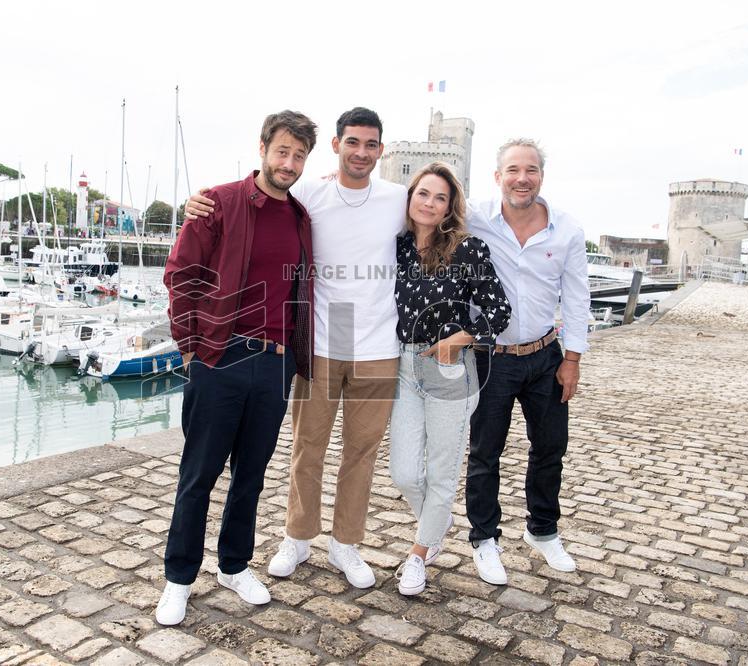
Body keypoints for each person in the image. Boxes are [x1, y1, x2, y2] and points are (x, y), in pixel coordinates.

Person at [186, 108, 407, 589]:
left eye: (371, 144)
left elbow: (447, 215)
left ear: (381, 150)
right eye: (353, 142)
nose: (361, 152)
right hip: (319, 343)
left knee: (361, 452)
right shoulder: (307, 193)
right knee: (308, 447)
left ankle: (346, 544)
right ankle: (298, 537)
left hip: (379, 345)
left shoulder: (399, 198)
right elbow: (257, 195)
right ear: (336, 145)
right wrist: (199, 203)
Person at [155, 110, 318, 626]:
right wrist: (190, 347)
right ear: (263, 148)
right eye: (282, 151)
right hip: (220, 356)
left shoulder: (301, 218)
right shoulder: (219, 203)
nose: (289, 163)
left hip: (275, 364)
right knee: (198, 475)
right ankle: (179, 578)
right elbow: (181, 273)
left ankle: (233, 565)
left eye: (299, 155)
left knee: (251, 475)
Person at [463, 138, 590, 584]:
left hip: (544, 355)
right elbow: (421, 205)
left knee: (551, 447)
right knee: (485, 453)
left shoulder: (567, 230)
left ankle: (543, 530)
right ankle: (484, 538)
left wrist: (572, 359)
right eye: (513, 170)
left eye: (531, 170)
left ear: (541, 176)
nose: (522, 178)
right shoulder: (475, 218)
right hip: (490, 357)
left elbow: (577, 299)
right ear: (498, 176)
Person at [389, 162, 510, 595]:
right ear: (410, 197)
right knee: (404, 473)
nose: (430, 203)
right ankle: (437, 522)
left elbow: (498, 311)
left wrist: (458, 339)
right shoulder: (398, 247)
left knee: (442, 472)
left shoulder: (467, 249)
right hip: (404, 367)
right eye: (423, 193)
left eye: (440, 197)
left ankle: (419, 554)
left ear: (449, 207)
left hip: (449, 370)